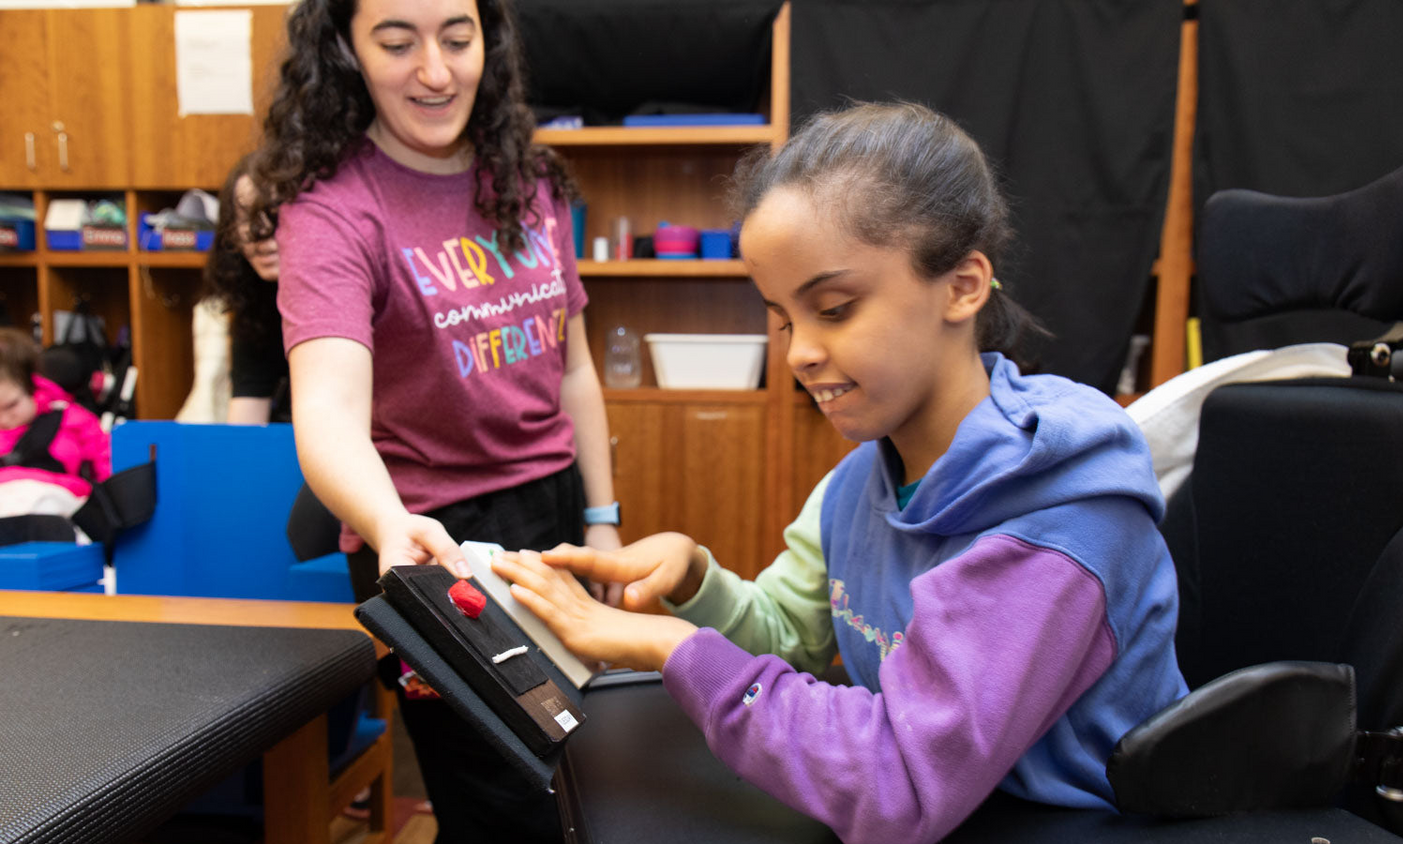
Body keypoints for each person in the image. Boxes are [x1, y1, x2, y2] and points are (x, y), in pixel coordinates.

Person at [492, 102, 1189, 844]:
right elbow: (789, 637)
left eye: (834, 308)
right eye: (787, 319)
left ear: (962, 286)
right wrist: (696, 577)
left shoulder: (1059, 522)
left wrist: (667, 648)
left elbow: (900, 781)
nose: (797, 353)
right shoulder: (861, 483)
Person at [250, 0, 622, 840]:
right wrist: (386, 523)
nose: (436, 71)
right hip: (430, 538)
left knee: (575, 779)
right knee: (497, 802)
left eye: (458, 38)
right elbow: (329, 411)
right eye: (397, 41)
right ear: (345, 48)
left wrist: (601, 521)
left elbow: (574, 369)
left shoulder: (531, 181)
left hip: (552, 515)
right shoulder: (332, 212)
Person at [202, 153, 288, 425]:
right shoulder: (255, 304)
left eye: (273, 215)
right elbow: (245, 427)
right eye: (246, 218)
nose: (260, 233)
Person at [0, 327, 111, 520]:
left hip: (66, 519)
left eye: (11, 406)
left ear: (32, 387)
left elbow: (108, 471)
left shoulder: (74, 421)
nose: (3, 419)